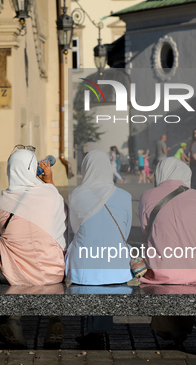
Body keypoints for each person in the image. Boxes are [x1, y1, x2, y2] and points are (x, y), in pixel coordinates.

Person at [0, 147, 68, 349]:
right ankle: (54, 322)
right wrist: (48, 180)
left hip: (15, 276)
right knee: (51, 262)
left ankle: (13, 323)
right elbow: (60, 217)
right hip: (53, 272)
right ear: (33, 168)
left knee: (10, 259)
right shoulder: (51, 196)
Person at [139, 157, 196, 345]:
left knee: (162, 268)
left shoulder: (147, 196)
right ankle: (179, 329)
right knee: (187, 274)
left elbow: (146, 231)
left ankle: (169, 328)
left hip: (164, 271)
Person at [66, 150, 133, 349]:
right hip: (117, 264)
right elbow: (125, 231)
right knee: (105, 275)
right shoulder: (125, 196)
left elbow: (75, 228)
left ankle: (97, 333)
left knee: (93, 272)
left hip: (84, 266)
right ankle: (97, 332)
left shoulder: (76, 195)